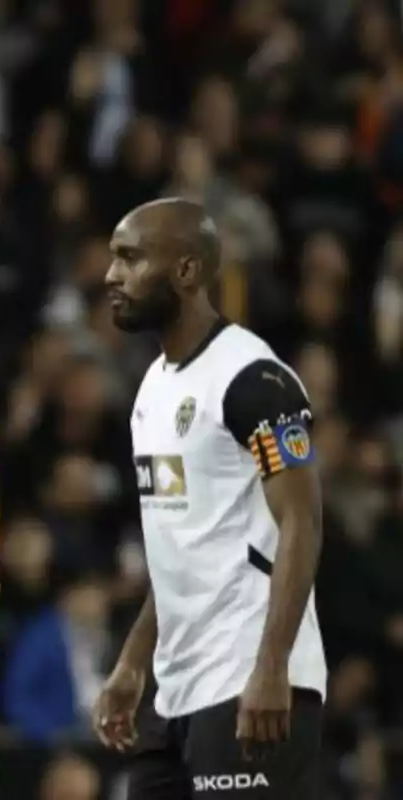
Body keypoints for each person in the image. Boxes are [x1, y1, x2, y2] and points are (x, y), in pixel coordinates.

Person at [93, 198, 326, 799]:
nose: (110, 275)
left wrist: (273, 666)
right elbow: (182, 545)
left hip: (250, 679)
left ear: (187, 271)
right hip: (176, 691)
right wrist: (133, 660)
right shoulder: (152, 388)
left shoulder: (254, 379)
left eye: (129, 258)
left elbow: (302, 520)